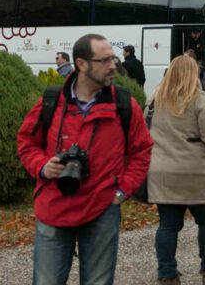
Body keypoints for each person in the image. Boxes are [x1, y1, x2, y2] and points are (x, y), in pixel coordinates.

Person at [17, 33, 153, 285]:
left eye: (113, 58)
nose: (113, 65)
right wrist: (42, 167)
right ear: (82, 64)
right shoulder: (51, 102)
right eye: (104, 60)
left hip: (102, 209)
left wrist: (123, 191)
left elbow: (142, 150)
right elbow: (27, 143)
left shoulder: (124, 104)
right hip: (53, 208)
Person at [147, 54, 205, 285]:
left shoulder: (154, 99)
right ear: (194, 74)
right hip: (195, 170)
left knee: (167, 226)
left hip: (163, 171)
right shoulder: (199, 99)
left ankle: (167, 274)